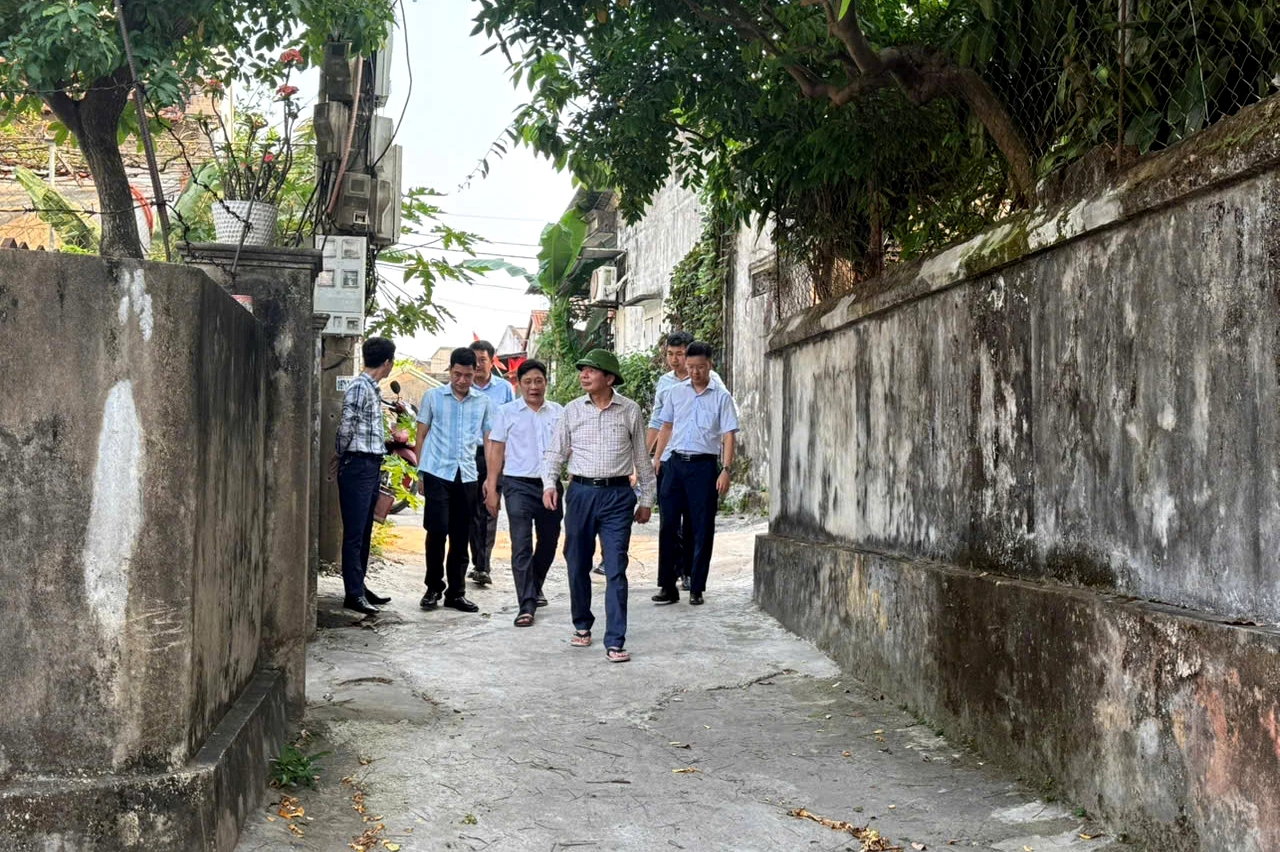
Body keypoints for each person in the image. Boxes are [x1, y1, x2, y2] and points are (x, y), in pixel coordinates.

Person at [543, 349, 656, 663]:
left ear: (609, 378)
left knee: (616, 566)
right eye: (583, 370)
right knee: (577, 561)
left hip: (618, 496)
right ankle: (582, 623)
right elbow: (555, 452)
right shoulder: (572, 410)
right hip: (580, 493)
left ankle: (615, 640)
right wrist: (549, 483)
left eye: (591, 371)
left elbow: (641, 458)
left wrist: (647, 500)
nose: (584, 375)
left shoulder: (630, 410)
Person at [651, 341, 739, 607]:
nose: (694, 372)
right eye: (690, 367)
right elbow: (666, 427)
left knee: (702, 527)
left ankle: (696, 586)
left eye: (700, 367)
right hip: (675, 464)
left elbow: (729, 435)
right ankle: (667, 585)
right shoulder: (675, 393)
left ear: (710, 365)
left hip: (703, 467)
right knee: (668, 525)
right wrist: (657, 458)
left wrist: (725, 470)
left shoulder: (721, 397)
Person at [413, 347, 492, 613]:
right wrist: (420, 473)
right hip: (437, 471)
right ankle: (433, 587)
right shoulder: (433, 397)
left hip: (467, 475)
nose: (461, 380)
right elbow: (421, 435)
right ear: (450, 370)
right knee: (436, 531)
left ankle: (456, 593)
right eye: (457, 374)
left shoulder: (483, 402)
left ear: (475, 373)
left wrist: (491, 478)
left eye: (467, 376)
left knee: (461, 534)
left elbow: (489, 441)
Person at [485, 360, 564, 626]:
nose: (533, 387)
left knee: (549, 541)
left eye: (538, 381)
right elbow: (496, 450)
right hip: (517, 485)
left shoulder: (559, 412)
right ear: (518, 384)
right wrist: (492, 487)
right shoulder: (507, 412)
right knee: (521, 543)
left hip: (550, 485)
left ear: (545, 383)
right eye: (528, 381)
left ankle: (535, 584)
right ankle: (526, 604)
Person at [333, 336, 398, 616]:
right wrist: (340, 454)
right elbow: (346, 425)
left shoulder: (371, 388)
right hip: (357, 464)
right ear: (388, 362)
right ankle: (353, 593)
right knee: (355, 532)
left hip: (370, 464)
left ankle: (359, 585)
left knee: (365, 530)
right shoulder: (360, 387)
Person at [468, 339, 515, 586]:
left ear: (491, 360)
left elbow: (512, 422)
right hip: (467, 455)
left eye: (482, 360)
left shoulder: (504, 389)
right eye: (474, 360)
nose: (478, 365)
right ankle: (477, 559)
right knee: (470, 511)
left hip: (495, 454)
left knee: (489, 507)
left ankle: (483, 565)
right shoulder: (463, 386)